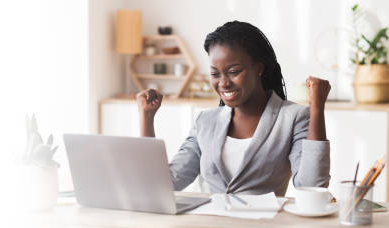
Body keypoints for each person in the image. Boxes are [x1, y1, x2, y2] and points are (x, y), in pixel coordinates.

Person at [137, 21, 331, 196]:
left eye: (233, 72)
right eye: (215, 74)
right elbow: (164, 184)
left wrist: (317, 108)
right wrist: (146, 118)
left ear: (259, 68)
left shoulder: (292, 117)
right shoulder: (205, 121)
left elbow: (312, 186)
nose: (223, 83)